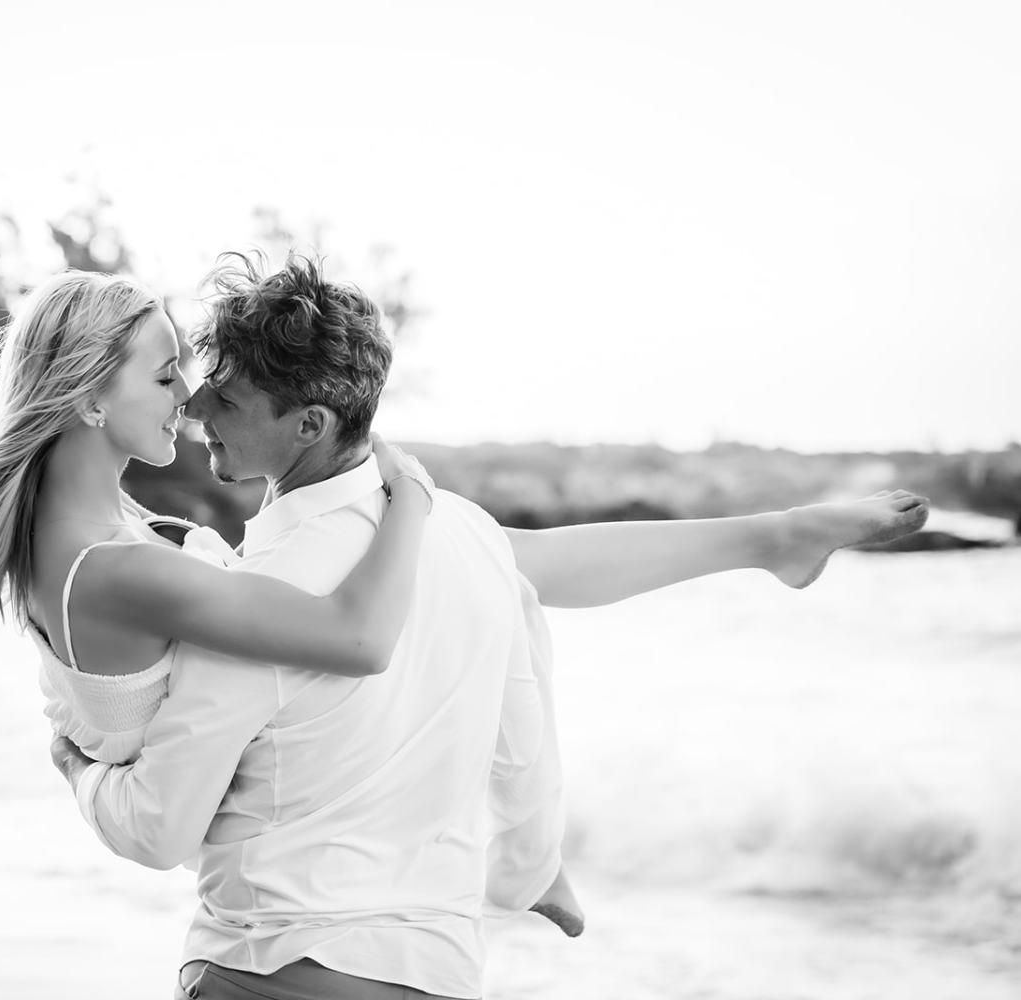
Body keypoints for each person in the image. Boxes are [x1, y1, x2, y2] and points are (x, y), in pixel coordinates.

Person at [49, 253, 930, 1000]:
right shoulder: (459, 536)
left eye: (227, 400)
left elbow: (158, 829)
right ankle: (775, 540)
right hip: (439, 968)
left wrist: (80, 768)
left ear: (309, 425)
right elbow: (524, 720)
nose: (196, 409)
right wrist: (528, 863)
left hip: (273, 968)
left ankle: (775, 538)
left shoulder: (258, 600)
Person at [0, 268, 439, 760]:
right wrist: (411, 495)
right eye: (163, 375)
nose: (187, 395)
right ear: (89, 401)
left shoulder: (73, 529)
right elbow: (362, 642)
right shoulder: (120, 570)